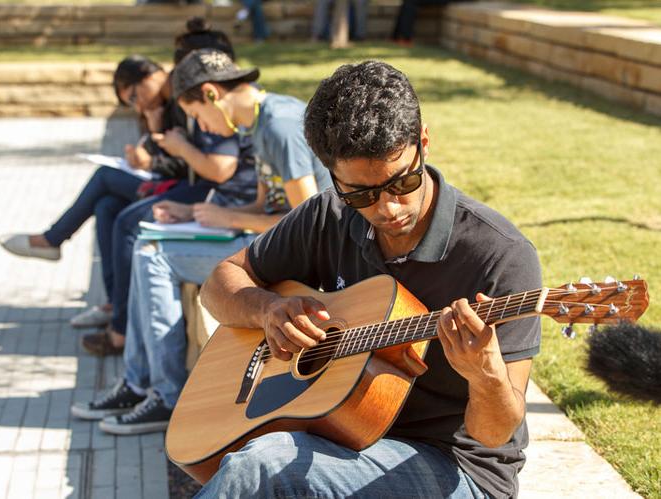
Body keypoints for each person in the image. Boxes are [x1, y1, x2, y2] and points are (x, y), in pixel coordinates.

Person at [197, 61, 542, 498]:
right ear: (332, 175)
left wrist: (485, 375)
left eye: (404, 182)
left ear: (424, 143)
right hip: (342, 434)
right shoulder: (328, 215)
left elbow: (493, 437)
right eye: (361, 194)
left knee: (264, 467)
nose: (389, 210)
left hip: (456, 468)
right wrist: (266, 309)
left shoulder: (501, 255)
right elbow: (220, 283)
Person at [70, 48, 331, 434]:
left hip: (300, 256)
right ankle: (140, 383)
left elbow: (309, 223)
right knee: (148, 244)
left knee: (153, 256)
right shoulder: (255, 122)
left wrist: (231, 218)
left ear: (211, 94)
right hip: (265, 238)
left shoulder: (279, 125)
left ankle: (166, 395)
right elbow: (265, 202)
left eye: (196, 117)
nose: (204, 129)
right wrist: (192, 214)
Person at [79, 21, 259, 357]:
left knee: (140, 238)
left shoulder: (249, 117)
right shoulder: (194, 106)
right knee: (111, 210)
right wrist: (157, 138)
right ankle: (123, 327)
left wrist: (215, 211)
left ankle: (149, 370)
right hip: (215, 205)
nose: (183, 78)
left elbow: (222, 173)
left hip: (229, 217)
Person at [0, 55, 201, 330]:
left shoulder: (183, 94)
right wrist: (153, 135)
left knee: (105, 178)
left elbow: (189, 163)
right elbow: (173, 158)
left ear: (147, 75)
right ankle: (114, 305)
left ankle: (52, 239)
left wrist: (151, 159)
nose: (138, 105)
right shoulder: (163, 107)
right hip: (172, 184)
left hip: (192, 192)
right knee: (106, 205)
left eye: (133, 97)